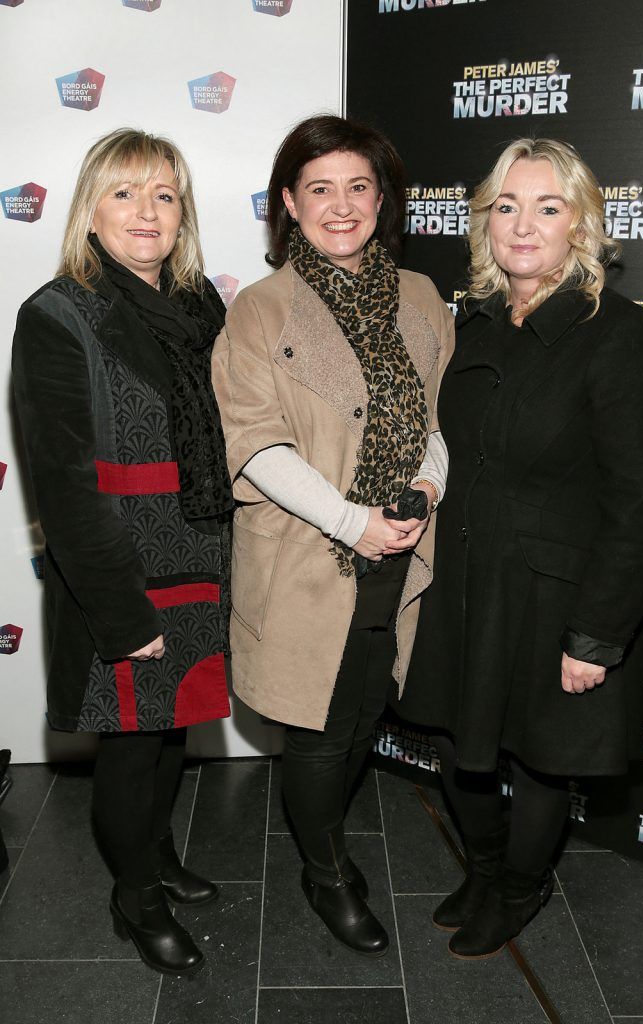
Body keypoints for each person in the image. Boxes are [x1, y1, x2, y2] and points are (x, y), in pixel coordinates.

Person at [402, 137, 643, 959]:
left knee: (543, 758)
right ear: (484, 222)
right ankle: (487, 867)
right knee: (456, 742)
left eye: (547, 208)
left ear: (582, 225)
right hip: (465, 578)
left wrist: (598, 633)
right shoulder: (473, 324)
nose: (523, 226)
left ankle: (522, 884)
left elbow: (637, 505)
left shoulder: (620, 337)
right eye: (506, 207)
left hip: (556, 589)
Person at [212, 114, 454, 956]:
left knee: (363, 709)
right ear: (289, 202)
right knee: (316, 732)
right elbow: (255, 442)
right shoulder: (260, 307)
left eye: (359, 186)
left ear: (381, 198)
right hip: (311, 557)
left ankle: (323, 842)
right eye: (320, 188)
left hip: (402, 551)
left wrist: (428, 483)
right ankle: (326, 872)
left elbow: (436, 415)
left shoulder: (422, 295)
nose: (341, 205)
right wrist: (356, 522)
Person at [12, 128, 234, 976]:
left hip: (202, 561)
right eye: (125, 193)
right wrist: (118, 610)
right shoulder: (56, 315)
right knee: (133, 747)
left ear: (183, 215)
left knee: (175, 727)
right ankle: (131, 897)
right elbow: (65, 486)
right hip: (124, 574)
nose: (147, 213)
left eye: (165, 195)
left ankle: (158, 858)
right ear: (90, 211)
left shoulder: (200, 306)